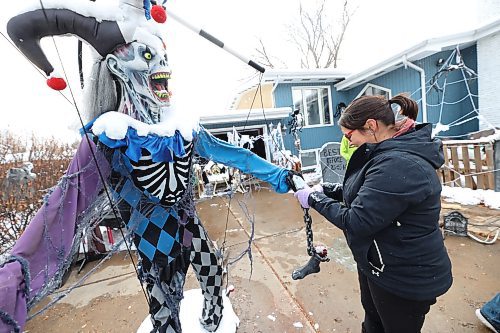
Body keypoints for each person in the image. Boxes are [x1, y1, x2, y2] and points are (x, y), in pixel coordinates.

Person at [293, 94, 452, 333]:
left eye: (349, 136)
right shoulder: (385, 151)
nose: (349, 142)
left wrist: (314, 199)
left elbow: (356, 220)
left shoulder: (400, 163)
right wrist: (327, 190)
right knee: (373, 323)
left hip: (404, 277)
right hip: (379, 264)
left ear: (371, 126)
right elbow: (369, 193)